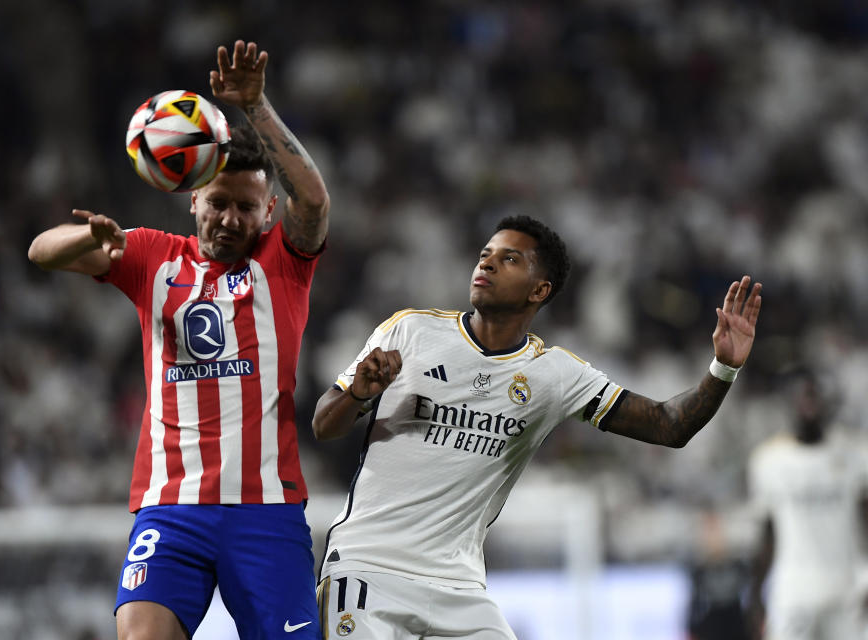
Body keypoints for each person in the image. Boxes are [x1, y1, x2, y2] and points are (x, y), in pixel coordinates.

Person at [312, 215, 762, 639]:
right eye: (486, 253)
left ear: (539, 289)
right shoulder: (410, 332)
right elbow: (324, 425)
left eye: (509, 258)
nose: (486, 262)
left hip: (459, 587)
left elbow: (668, 426)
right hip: (369, 566)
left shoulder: (554, 375)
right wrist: (358, 395)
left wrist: (723, 367)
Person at [28, 41, 329, 640]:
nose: (230, 218)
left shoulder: (285, 262)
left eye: (247, 207)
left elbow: (314, 200)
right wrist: (89, 241)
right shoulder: (150, 255)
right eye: (219, 203)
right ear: (193, 198)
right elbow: (40, 252)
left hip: (266, 510)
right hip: (170, 507)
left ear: (268, 212)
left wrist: (256, 106)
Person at [746, 371, 868, 640]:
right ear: (788, 402)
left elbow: (866, 521)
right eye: (801, 396)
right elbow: (767, 534)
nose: (808, 403)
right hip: (793, 593)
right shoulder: (768, 461)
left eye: (814, 395)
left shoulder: (855, 454)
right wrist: (755, 596)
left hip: (845, 591)